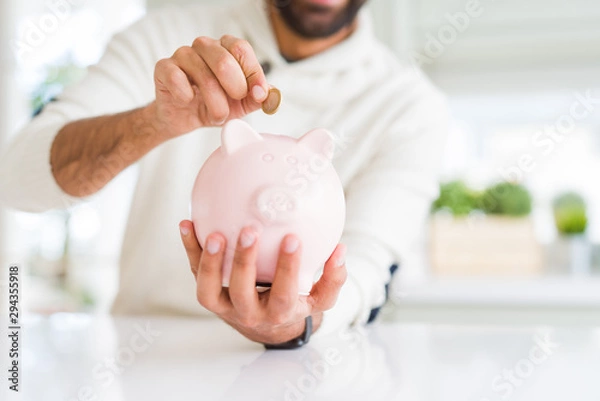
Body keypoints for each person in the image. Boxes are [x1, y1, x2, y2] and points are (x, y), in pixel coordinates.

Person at [0, 0, 448, 346]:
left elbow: (367, 268)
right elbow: (17, 179)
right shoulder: (167, 38)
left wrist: (294, 322)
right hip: (144, 355)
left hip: (304, 364)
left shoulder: (408, 105)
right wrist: (152, 122)